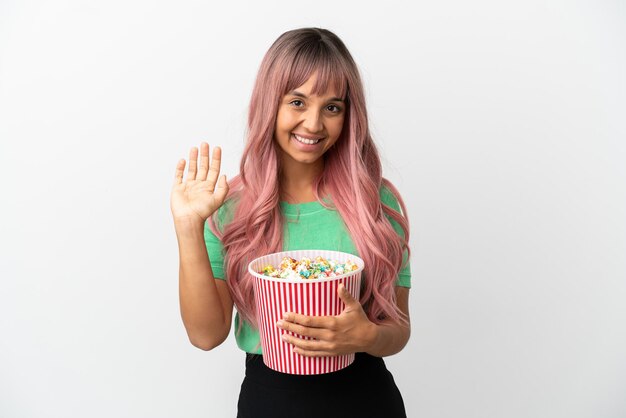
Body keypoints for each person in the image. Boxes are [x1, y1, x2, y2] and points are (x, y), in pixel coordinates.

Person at [171, 27, 412, 418]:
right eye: (298, 101)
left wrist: (368, 335)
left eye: (332, 107)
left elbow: (399, 329)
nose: (314, 124)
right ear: (270, 103)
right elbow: (205, 335)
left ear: (348, 116)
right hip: (270, 400)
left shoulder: (376, 201)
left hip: (366, 397)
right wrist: (188, 228)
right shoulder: (229, 207)